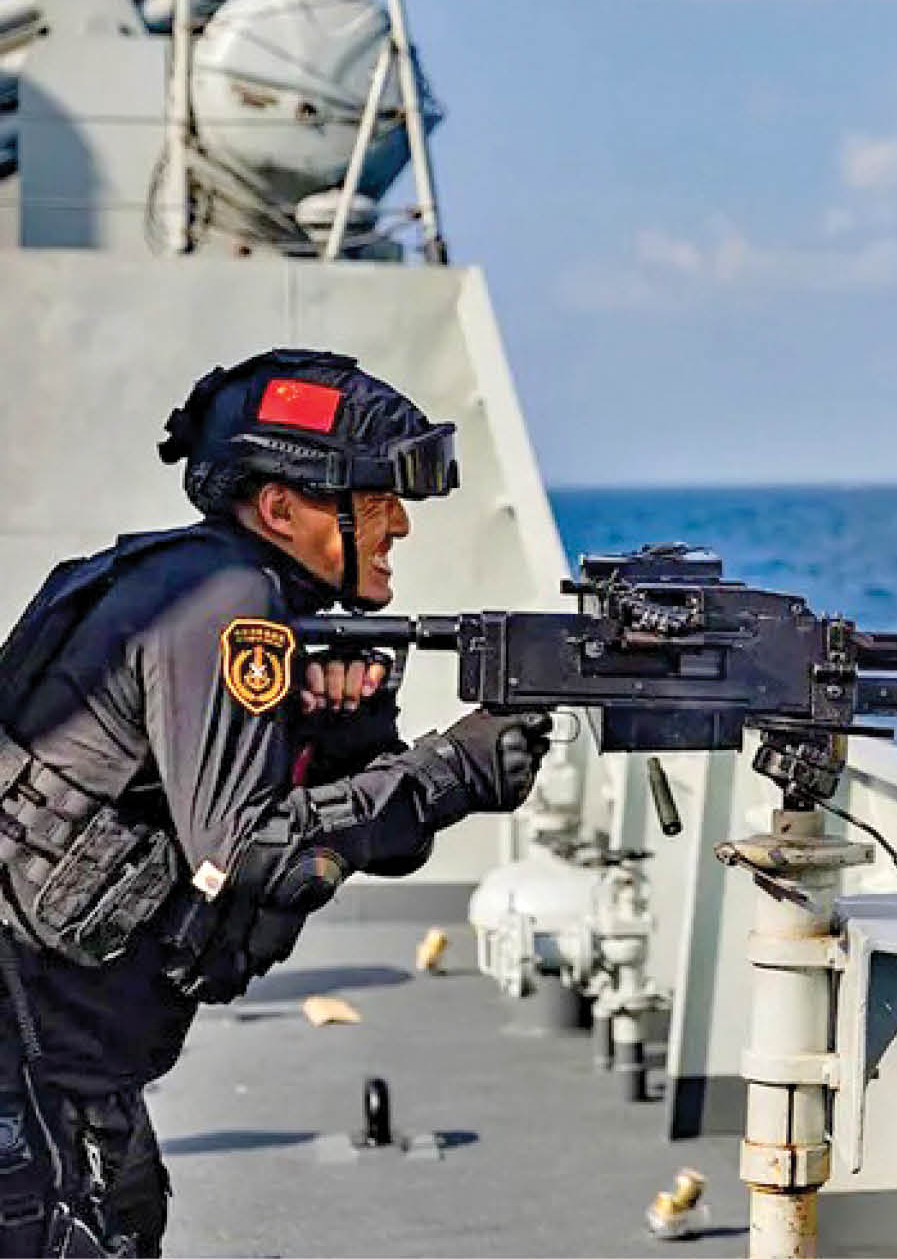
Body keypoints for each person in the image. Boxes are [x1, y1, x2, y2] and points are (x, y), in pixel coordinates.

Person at [0, 349, 553, 1256]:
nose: (400, 523)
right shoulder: (225, 601)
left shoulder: (186, 584)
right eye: (375, 496)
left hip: (61, 1062)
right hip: (31, 1064)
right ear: (282, 509)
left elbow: (362, 840)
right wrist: (449, 768)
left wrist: (345, 740)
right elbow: (251, 853)